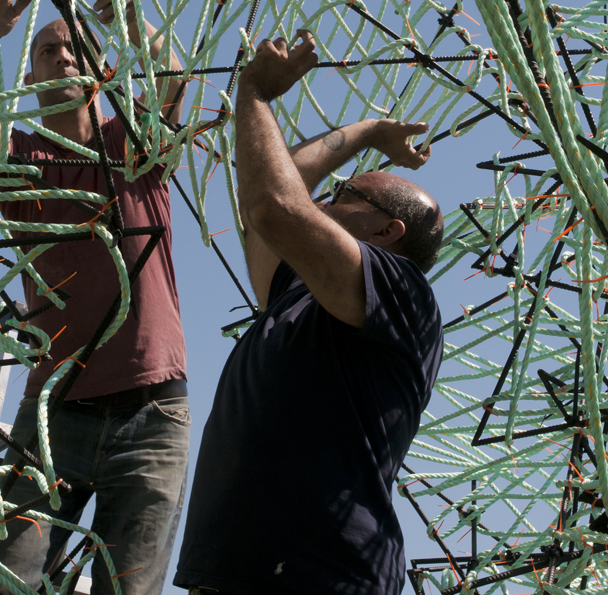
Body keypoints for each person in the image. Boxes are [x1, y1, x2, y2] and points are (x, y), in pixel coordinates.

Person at [175, 29, 444, 595]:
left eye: (347, 192)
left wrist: (253, 93)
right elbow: (284, 185)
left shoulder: (401, 290)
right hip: (240, 571)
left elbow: (277, 205)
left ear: (386, 231)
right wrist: (369, 129)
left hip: (322, 574)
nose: (326, 194)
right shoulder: (300, 291)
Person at [0, 0, 190, 595]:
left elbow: (172, 86)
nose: (60, 58)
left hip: (152, 410)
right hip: (55, 408)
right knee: (8, 581)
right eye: (45, 52)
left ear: (101, 71)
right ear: (28, 80)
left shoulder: (131, 148)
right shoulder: (27, 162)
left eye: (73, 49)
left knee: (128, 588)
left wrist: (139, 27)